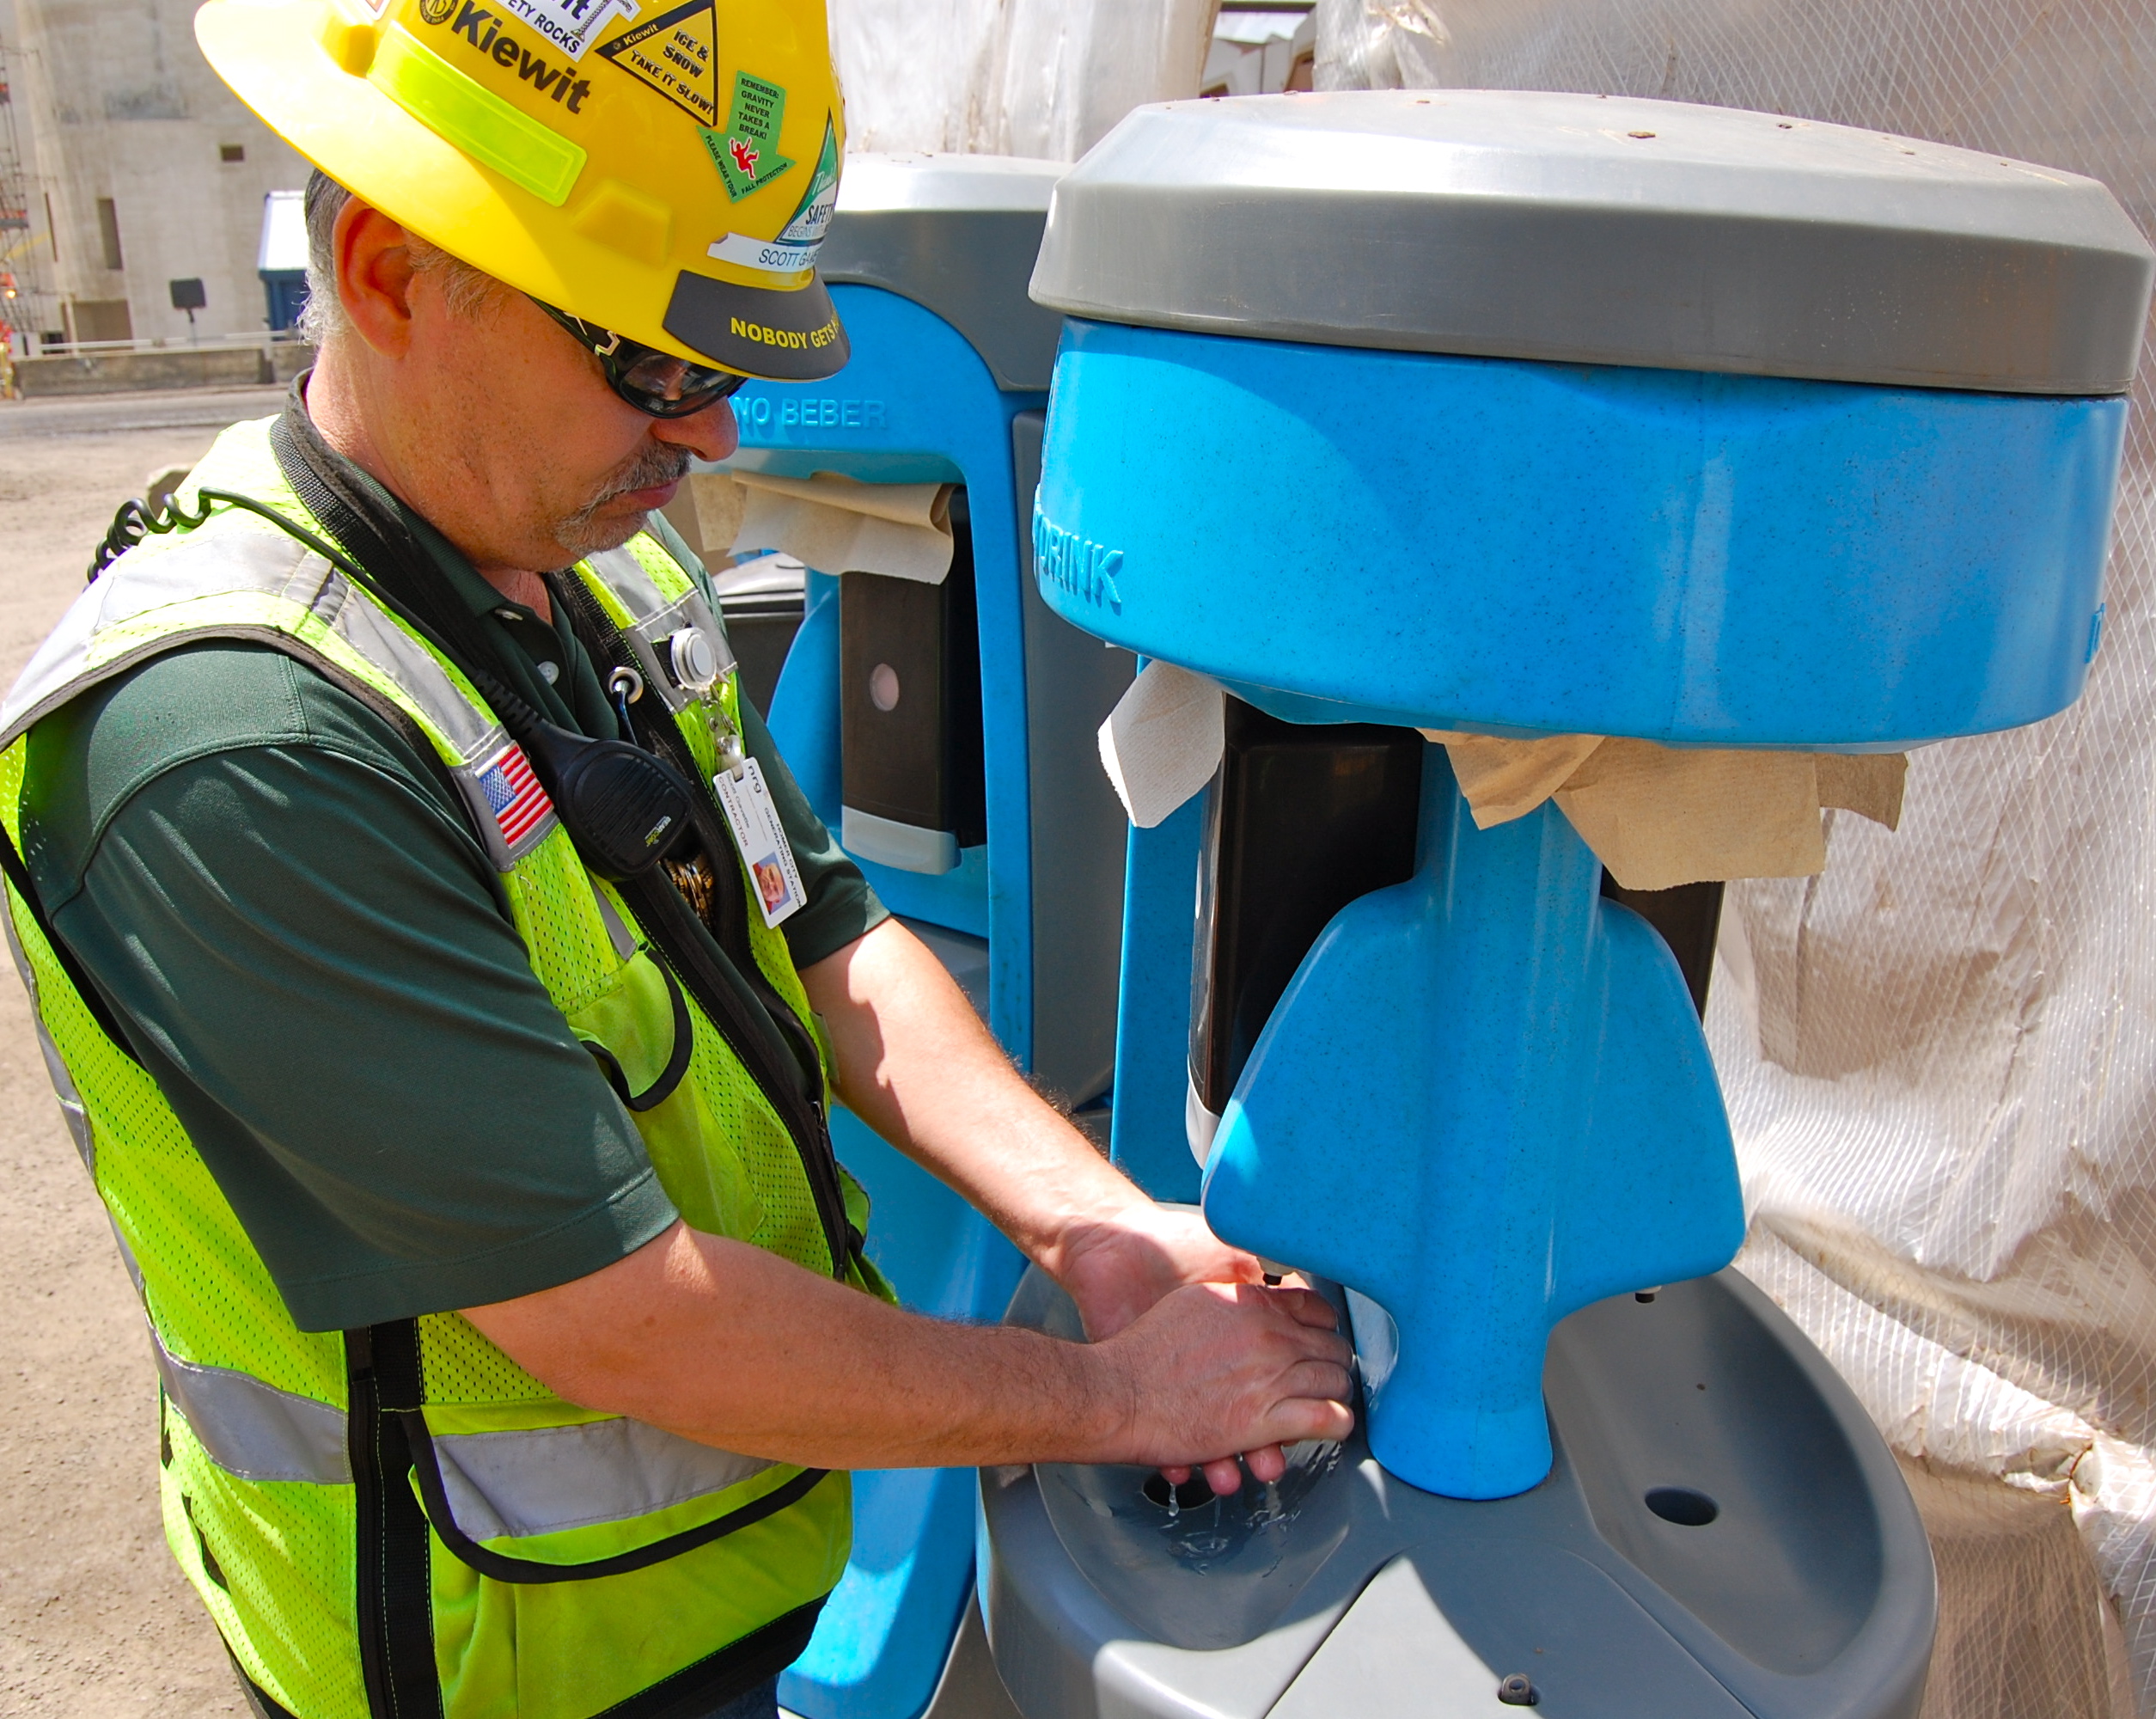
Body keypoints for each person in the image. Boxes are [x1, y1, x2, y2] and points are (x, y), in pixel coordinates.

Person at [0, 1, 1353, 1716]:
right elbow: (621, 1318)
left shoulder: (598, 575)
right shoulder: (239, 749)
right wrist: (1122, 1398)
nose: (712, 437)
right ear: (395, 269)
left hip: (701, 1578)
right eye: (654, 364)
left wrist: (1093, 1223)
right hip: (497, 1656)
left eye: (732, 368)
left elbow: (827, 939)